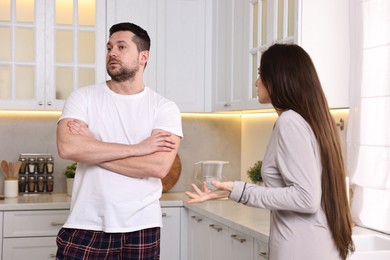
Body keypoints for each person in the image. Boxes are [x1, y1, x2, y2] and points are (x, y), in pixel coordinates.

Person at [186, 44, 355, 260]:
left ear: (278, 77)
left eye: (260, 74)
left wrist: (241, 190)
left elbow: (306, 198)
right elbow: (301, 191)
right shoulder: (314, 122)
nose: (256, 82)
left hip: (300, 249)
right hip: (317, 245)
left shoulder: (290, 122)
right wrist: (230, 192)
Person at [56, 22, 182, 259]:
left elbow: (157, 167)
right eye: (109, 47)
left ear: (143, 56)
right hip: (86, 222)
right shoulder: (82, 98)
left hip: (141, 225)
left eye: (121, 47)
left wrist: (93, 150)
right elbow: (68, 147)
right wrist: (138, 149)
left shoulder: (164, 108)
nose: (112, 52)